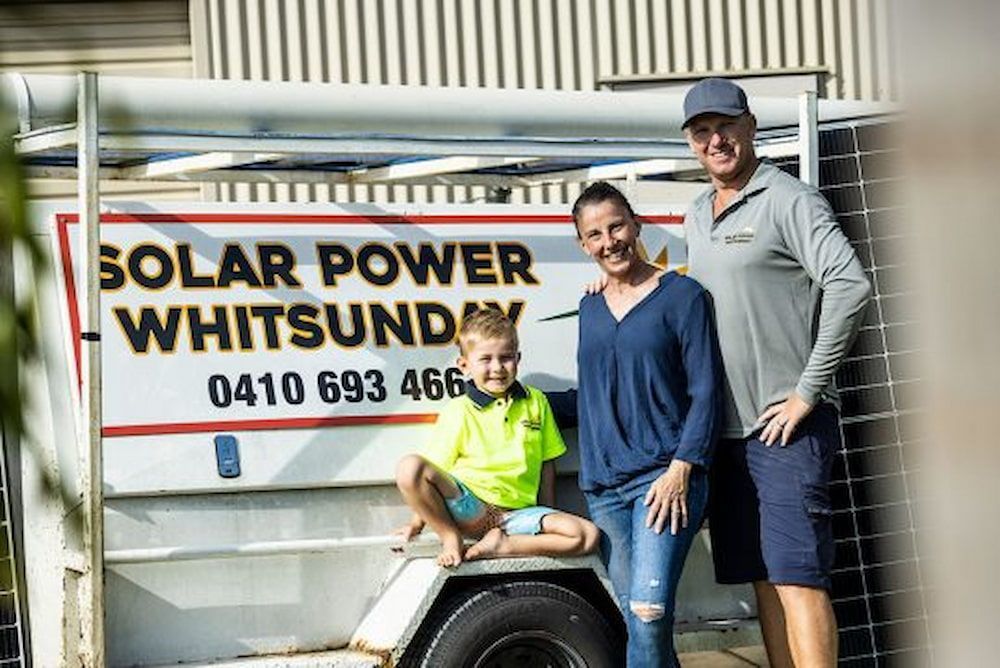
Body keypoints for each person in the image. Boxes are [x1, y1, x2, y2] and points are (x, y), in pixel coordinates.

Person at [681, 78, 872, 667]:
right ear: (690, 142)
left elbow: (850, 285)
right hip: (728, 435)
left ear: (751, 127)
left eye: (726, 126)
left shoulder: (790, 199)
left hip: (786, 431)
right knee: (763, 576)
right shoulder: (697, 213)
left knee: (797, 579)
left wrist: (806, 393)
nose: (716, 140)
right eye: (702, 131)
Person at [573, 181, 721, 667]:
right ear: (583, 245)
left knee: (649, 611)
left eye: (616, 226)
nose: (609, 241)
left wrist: (682, 468)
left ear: (636, 226)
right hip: (604, 490)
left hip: (664, 480)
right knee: (638, 621)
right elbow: (594, 390)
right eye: (595, 234)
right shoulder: (589, 306)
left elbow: (706, 391)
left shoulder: (684, 296)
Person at [394, 307, 599, 567]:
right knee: (409, 467)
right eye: (486, 359)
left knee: (586, 536)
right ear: (464, 365)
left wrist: (548, 513)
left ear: (518, 358)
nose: (497, 368)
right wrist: (417, 523)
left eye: (505, 358)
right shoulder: (459, 410)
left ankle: (504, 545)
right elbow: (435, 471)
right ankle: (451, 538)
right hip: (472, 509)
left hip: (518, 516)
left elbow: (546, 465)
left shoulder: (536, 402)